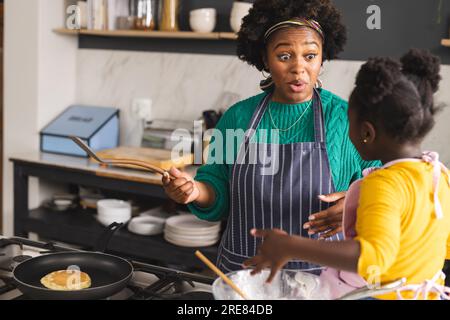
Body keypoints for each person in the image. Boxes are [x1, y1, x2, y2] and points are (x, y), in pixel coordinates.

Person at [163, 0, 379, 272]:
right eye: (285, 56)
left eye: (310, 56)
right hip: (246, 277)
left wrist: (354, 203)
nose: (299, 68)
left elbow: (380, 185)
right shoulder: (238, 118)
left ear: (322, 58)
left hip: (323, 280)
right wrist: (193, 191)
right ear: (265, 59)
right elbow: (215, 188)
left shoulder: (345, 118)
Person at [244, 49, 450, 300]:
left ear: (367, 132)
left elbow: (370, 257)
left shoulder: (383, 184)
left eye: (349, 124)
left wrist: (290, 245)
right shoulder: (438, 174)